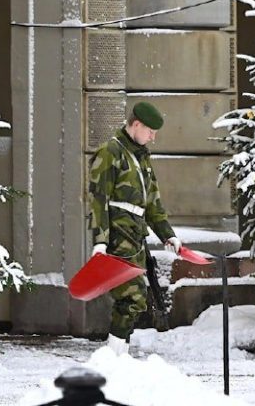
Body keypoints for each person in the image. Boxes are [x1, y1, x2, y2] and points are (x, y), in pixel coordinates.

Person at [88, 101, 181, 355]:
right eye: (150, 130)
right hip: (118, 238)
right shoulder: (110, 152)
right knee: (132, 297)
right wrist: (100, 241)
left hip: (136, 238)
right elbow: (98, 200)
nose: (153, 136)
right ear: (136, 124)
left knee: (133, 300)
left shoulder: (142, 157)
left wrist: (167, 234)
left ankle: (117, 355)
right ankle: (114, 357)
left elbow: (152, 201)